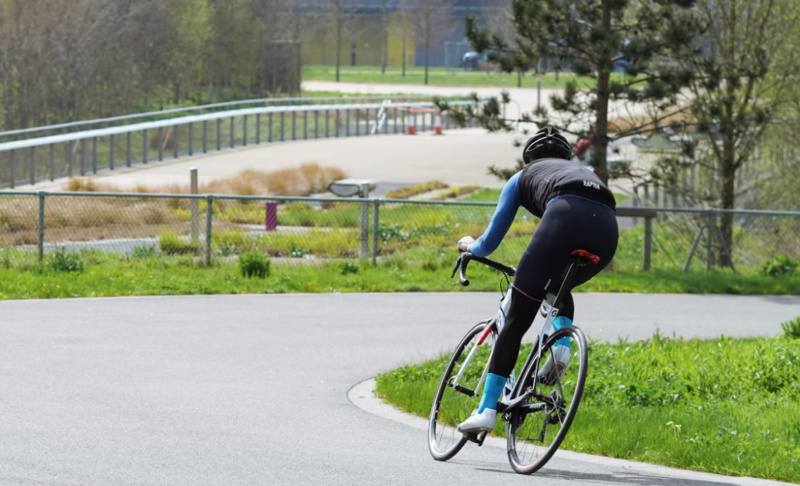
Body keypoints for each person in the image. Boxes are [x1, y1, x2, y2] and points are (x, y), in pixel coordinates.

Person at [456, 126, 619, 434]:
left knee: (517, 318)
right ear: (566, 157)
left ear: (528, 159)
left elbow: (487, 244)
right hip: (607, 229)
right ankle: (561, 347)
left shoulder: (522, 177)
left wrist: (468, 246)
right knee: (558, 284)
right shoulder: (583, 171)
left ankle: (486, 410)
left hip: (565, 216)